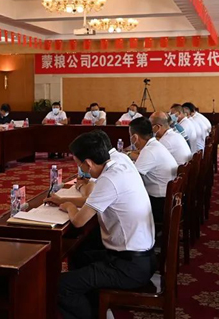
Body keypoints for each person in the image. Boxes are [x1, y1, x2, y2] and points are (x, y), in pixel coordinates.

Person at [56, 132, 155, 319]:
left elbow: (78, 221)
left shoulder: (109, 179)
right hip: (141, 257)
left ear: (89, 163)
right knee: (79, 255)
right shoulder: (120, 160)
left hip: (129, 267)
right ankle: (97, 308)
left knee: (61, 286)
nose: (80, 169)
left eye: (79, 164)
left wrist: (68, 206)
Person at [129, 118, 178, 224]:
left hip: (160, 203)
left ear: (135, 137)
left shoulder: (149, 150)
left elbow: (132, 179)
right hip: (168, 198)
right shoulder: (155, 145)